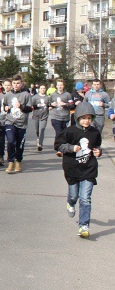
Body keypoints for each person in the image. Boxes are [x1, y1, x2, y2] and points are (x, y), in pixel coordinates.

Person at [54, 102, 102, 239]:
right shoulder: (69, 131)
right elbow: (58, 145)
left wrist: (99, 152)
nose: (86, 121)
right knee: (74, 195)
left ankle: (84, 226)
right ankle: (70, 202)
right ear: (77, 118)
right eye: (83, 118)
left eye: (89, 118)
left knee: (85, 198)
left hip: (89, 169)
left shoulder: (94, 132)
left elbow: (97, 146)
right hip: (72, 169)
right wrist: (71, 148)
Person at [3, 74, 32, 174]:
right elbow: (4, 106)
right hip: (10, 121)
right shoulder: (7, 95)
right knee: (11, 141)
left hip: (21, 123)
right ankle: (11, 161)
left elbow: (29, 108)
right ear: (11, 84)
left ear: (21, 83)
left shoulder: (26, 94)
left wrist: (21, 106)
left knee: (20, 144)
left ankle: (18, 161)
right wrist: (5, 108)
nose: (16, 85)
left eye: (18, 83)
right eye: (14, 83)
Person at [0, 79, 12, 166]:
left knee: (10, 140)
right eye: (6, 85)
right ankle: (0, 156)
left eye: (9, 85)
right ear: (3, 86)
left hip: (11, 119)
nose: (7, 87)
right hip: (1, 119)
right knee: (1, 139)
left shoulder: (13, 95)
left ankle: (11, 156)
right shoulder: (0, 95)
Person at [31, 84, 49, 151]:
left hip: (44, 116)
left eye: (44, 88)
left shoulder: (47, 97)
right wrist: (36, 106)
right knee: (37, 130)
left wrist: (50, 106)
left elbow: (49, 104)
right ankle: (38, 138)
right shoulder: (35, 97)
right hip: (36, 115)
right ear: (39, 89)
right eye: (41, 88)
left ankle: (40, 144)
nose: (43, 89)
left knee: (42, 129)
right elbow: (31, 106)